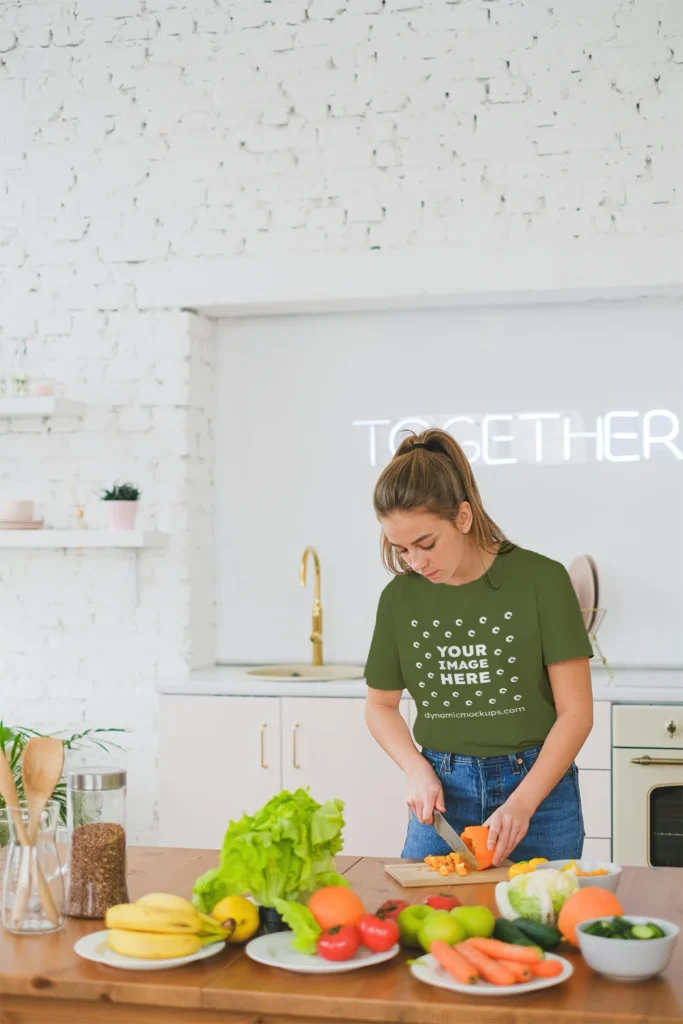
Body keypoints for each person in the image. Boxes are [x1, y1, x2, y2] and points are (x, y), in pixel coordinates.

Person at [364, 428, 593, 867]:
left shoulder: (542, 581)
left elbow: (577, 713)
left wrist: (523, 803)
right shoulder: (399, 599)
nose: (415, 562)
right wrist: (415, 769)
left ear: (463, 517)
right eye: (402, 549)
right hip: (444, 793)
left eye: (426, 544)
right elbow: (380, 706)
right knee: (427, 926)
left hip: (539, 792)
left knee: (539, 925)